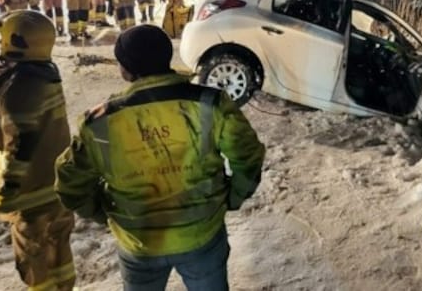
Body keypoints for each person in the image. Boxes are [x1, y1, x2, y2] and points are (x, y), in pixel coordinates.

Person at [55, 24, 265, 291]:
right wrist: (234, 197)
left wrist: (103, 213)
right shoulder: (211, 104)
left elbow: (69, 183)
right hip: (201, 234)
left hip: (139, 243)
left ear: (125, 69)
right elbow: (247, 156)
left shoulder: (100, 122)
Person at [0, 10, 76, 290]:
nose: (0, 43)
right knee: (59, 249)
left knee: (32, 258)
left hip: (30, 193)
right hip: (56, 186)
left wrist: (8, 191)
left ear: (18, 41)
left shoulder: (21, 85)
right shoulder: (44, 74)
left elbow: (21, 143)